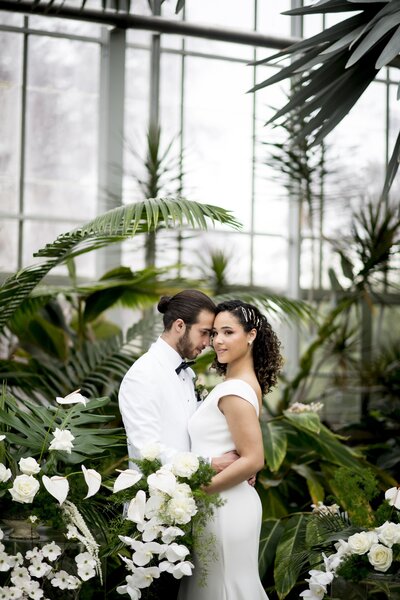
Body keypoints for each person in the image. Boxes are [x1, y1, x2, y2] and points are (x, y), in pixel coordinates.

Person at [178, 299, 283, 600]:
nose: (218, 341)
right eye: (214, 334)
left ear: (251, 335)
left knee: (224, 589)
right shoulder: (239, 383)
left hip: (225, 507)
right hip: (224, 502)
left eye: (228, 332)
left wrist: (198, 489)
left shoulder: (235, 390)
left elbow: (253, 459)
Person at [118, 289, 239, 475]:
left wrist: (237, 465)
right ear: (180, 326)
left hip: (192, 495)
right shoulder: (142, 375)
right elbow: (147, 452)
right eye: (204, 333)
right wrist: (210, 464)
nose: (208, 343)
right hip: (154, 498)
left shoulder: (188, 373)